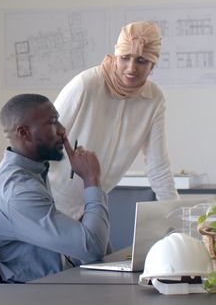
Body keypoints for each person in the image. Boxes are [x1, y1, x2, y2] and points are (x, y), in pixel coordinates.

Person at [48, 21, 179, 221]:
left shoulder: (154, 99)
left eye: (142, 61)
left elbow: (158, 167)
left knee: (109, 254)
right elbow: (38, 142)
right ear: (116, 55)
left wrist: (176, 219)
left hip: (92, 206)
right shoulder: (86, 84)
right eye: (125, 58)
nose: (131, 68)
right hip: (50, 203)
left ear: (153, 64)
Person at [0, 93, 109, 284]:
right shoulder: (18, 191)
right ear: (24, 132)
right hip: (38, 300)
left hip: (55, 287)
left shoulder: (30, 172)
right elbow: (92, 248)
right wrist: (91, 179)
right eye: (53, 122)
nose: (63, 130)